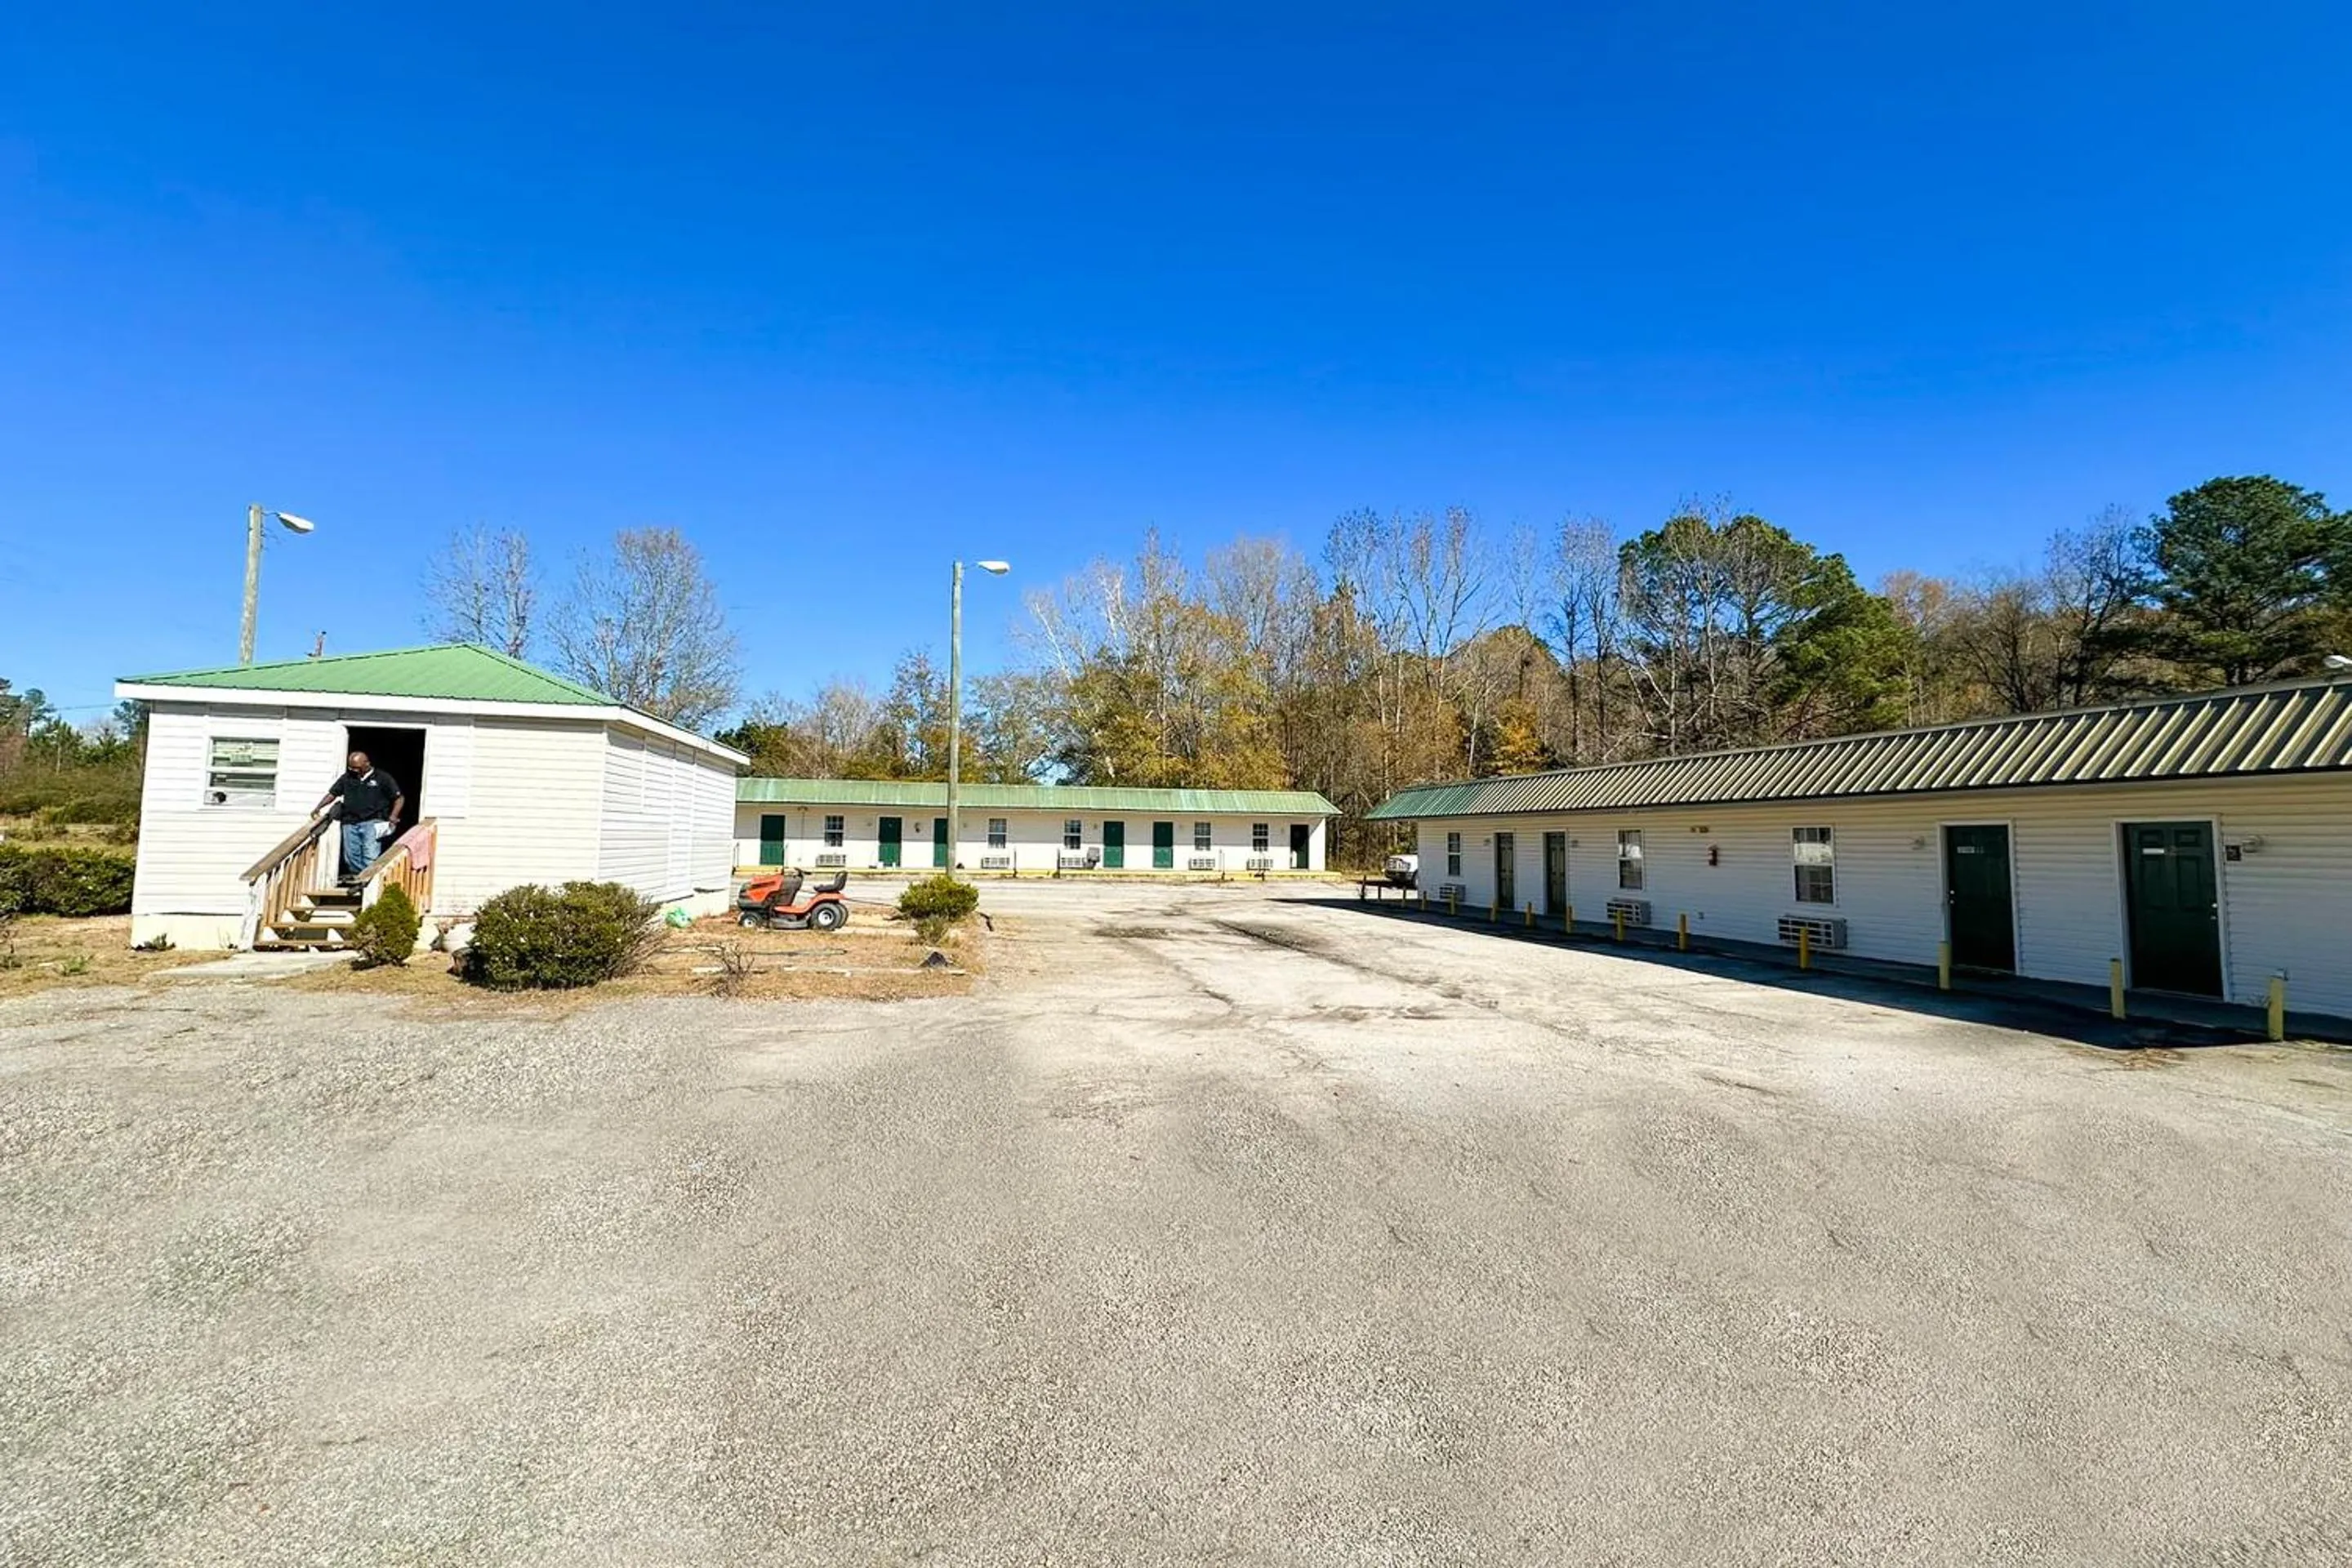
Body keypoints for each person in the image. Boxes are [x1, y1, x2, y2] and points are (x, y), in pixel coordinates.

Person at [316, 750, 405, 883]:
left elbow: (399, 798)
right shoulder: (347, 777)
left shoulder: (382, 778)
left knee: (370, 854)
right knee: (351, 856)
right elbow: (332, 794)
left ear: (367, 763)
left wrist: (393, 816)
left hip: (373, 821)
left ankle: (370, 882)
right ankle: (361, 879)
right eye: (351, 767)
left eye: (357, 767)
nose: (353, 770)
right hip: (349, 821)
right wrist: (319, 807)